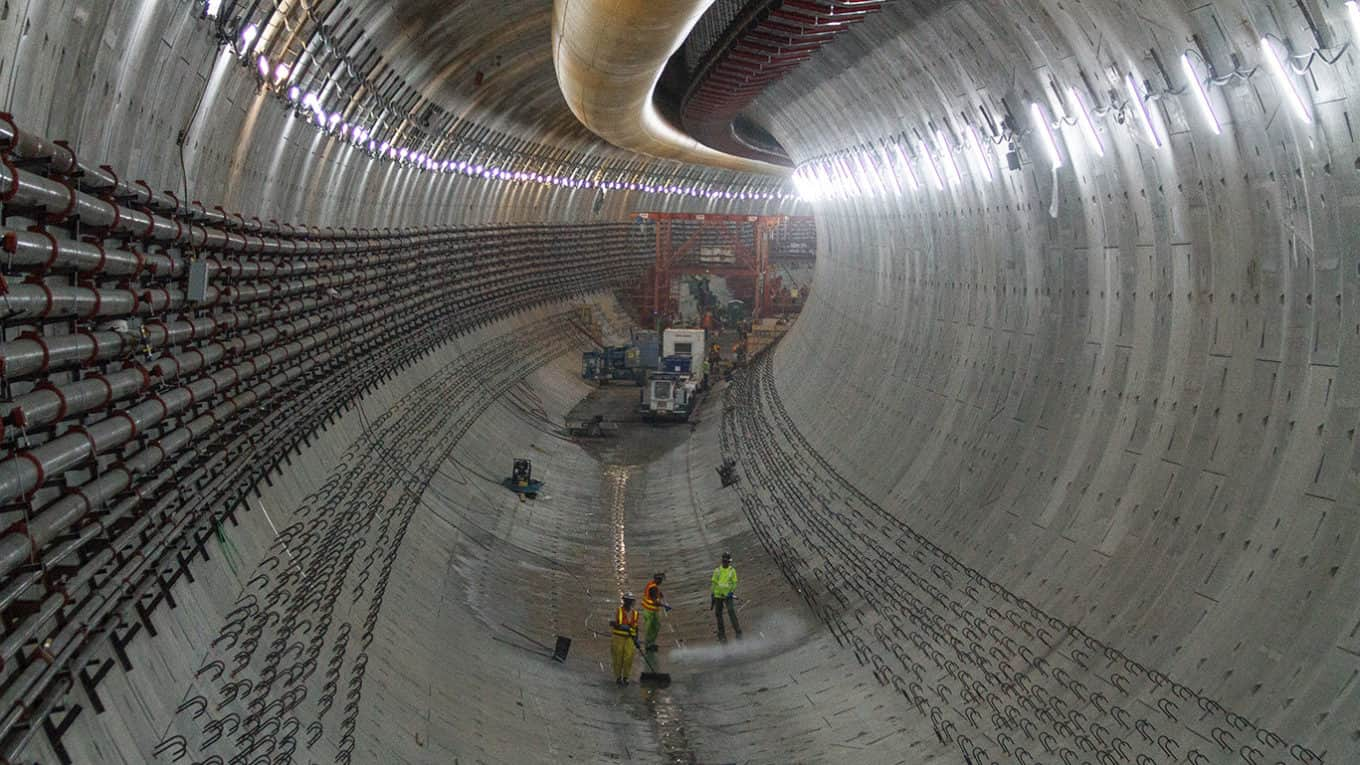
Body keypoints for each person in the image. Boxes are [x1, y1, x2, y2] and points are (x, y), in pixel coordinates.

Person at [610, 592, 640, 685]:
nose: (628, 602)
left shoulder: (635, 613)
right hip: (618, 638)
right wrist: (621, 626)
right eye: (627, 600)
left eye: (630, 601)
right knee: (618, 658)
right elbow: (612, 623)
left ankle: (626, 677)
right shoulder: (618, 611)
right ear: (624, 601)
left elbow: (636, 627)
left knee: (629, 658)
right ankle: (618, 677)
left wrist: (636, 639)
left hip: (630, 638)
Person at [711, 552, 741, 641]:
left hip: (728, 595)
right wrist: (713, 594)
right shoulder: (717, 571)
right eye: (726, 561)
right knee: (718, 614)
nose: (727, 563)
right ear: (723, 561)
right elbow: (714, 584)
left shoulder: (732, 571)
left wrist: (731, 591)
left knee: (731, 611)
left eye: (728, 562)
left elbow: (734, 582)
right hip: (718, 596)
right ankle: (721, 634)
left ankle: (738, 631)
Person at [640, 573, 671, 652]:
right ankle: (649, 644)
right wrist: (665, 606)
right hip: (651, 611)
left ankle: (650, 643)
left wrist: (660, 595)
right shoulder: (653, 588)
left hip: (649, 611)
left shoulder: (651, 584)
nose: (661, 582)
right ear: (657, 579)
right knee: (652, 628)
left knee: (653, 627)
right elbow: (655, 602)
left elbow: (657, 593)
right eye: (660, 580)